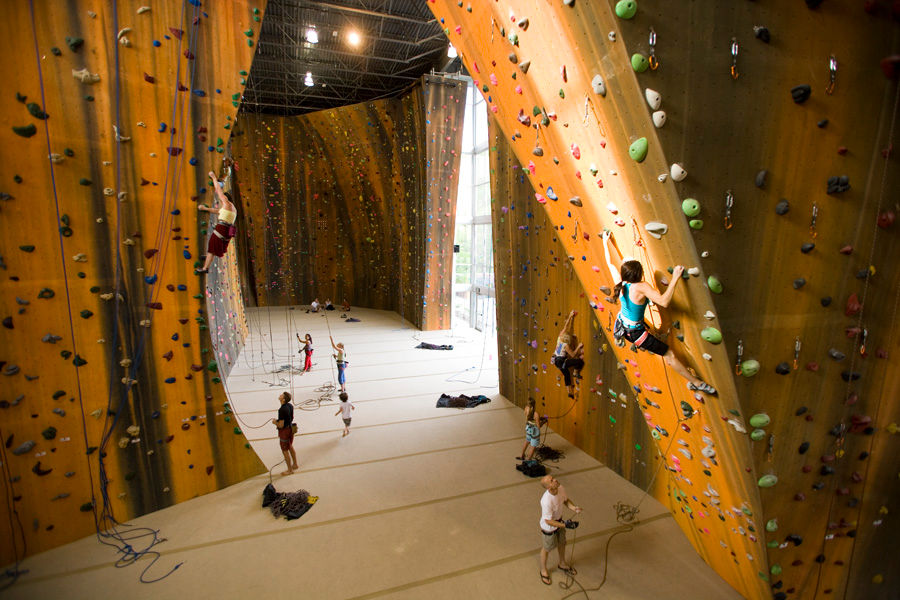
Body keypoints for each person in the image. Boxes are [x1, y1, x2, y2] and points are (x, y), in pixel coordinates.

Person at [602, 232, 716, 395]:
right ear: (639, 275)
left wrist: (606, 243)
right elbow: (663, 302)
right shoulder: (641, 287)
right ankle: (697, 383)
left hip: (624, 326)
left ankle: (652, 337)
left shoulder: (621, 283)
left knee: (651, 332)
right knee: (669, 354)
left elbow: (610, 264)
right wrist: (675, 277)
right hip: (635, 332)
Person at [539, 474, 582, 585]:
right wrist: (565, 525)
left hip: (560, 522)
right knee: (547, 548)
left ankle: (562, 563)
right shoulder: (546, 501)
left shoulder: (560, 488)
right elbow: (548, 521)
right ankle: (543, 570)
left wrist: (574, 508)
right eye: (552, 480)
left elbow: (566, 500)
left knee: (562, 543)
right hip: (549, 527)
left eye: (553, 478)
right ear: (549, 487)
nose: (555, 480)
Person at [196, 170, 237, 274]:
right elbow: (217, 211)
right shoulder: (231, 209)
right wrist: (205, 209)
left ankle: (205, 268)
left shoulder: (227, 203)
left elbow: (219, 191)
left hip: (222, 229)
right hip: (225, 230)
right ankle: (207, 258)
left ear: (226, 198)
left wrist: (213, 177)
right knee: (213, 246)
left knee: (212, 248)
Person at [551, 310, 585, 398]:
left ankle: (569, 392)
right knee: (580, 362)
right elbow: (573, 354)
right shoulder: (565, 345)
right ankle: (575, 372)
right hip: (561, 362)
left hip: (556, 361)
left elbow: (566, 327)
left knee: (566, 374)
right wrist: (579, 346)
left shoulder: (559, 339)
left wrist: (570, 316)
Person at [270, 391, 298, 475]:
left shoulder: (281, 410)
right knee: (290, 446)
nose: (280, 395)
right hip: (291, 429)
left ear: (283, 399)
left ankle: (290, 470)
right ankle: (295, 464)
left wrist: (275, 422)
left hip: (284, 431)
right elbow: (291, 417)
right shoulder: (290, 406)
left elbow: (281, 425)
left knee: (285, 450)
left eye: (281, 395)